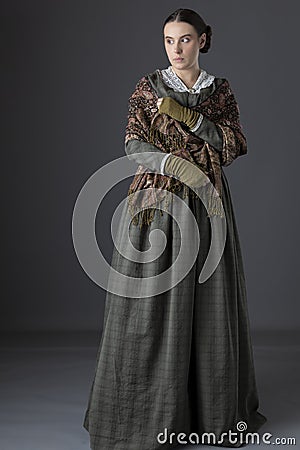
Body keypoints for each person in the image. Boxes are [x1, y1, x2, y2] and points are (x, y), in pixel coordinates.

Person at [83, 8, 267, 449]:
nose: (177, 48)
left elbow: (235, 144)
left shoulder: (218, 91)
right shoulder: (148, 88)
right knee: (150, 306)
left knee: (209, 305)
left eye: (185, 39)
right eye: (169, 40)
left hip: (209, 202)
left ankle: (208, 411)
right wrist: (175, 164)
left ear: (203, 40)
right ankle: (148, 412)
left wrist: (192, 121)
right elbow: (133, 143)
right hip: (157, 199)